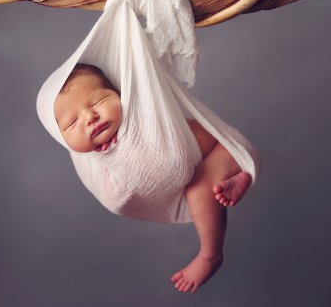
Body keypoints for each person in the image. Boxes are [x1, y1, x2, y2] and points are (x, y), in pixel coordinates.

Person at [54, 63, 252, 294]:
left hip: (224, 149)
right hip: (200, 170)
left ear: (119, 94)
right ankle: (232, 179)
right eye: (73, 122)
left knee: (200, 190)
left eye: (99, 101)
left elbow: (141, 70)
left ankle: (210, 254)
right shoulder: (93, 161)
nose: (90, 117)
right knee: (200, 190)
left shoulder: (139, 116)